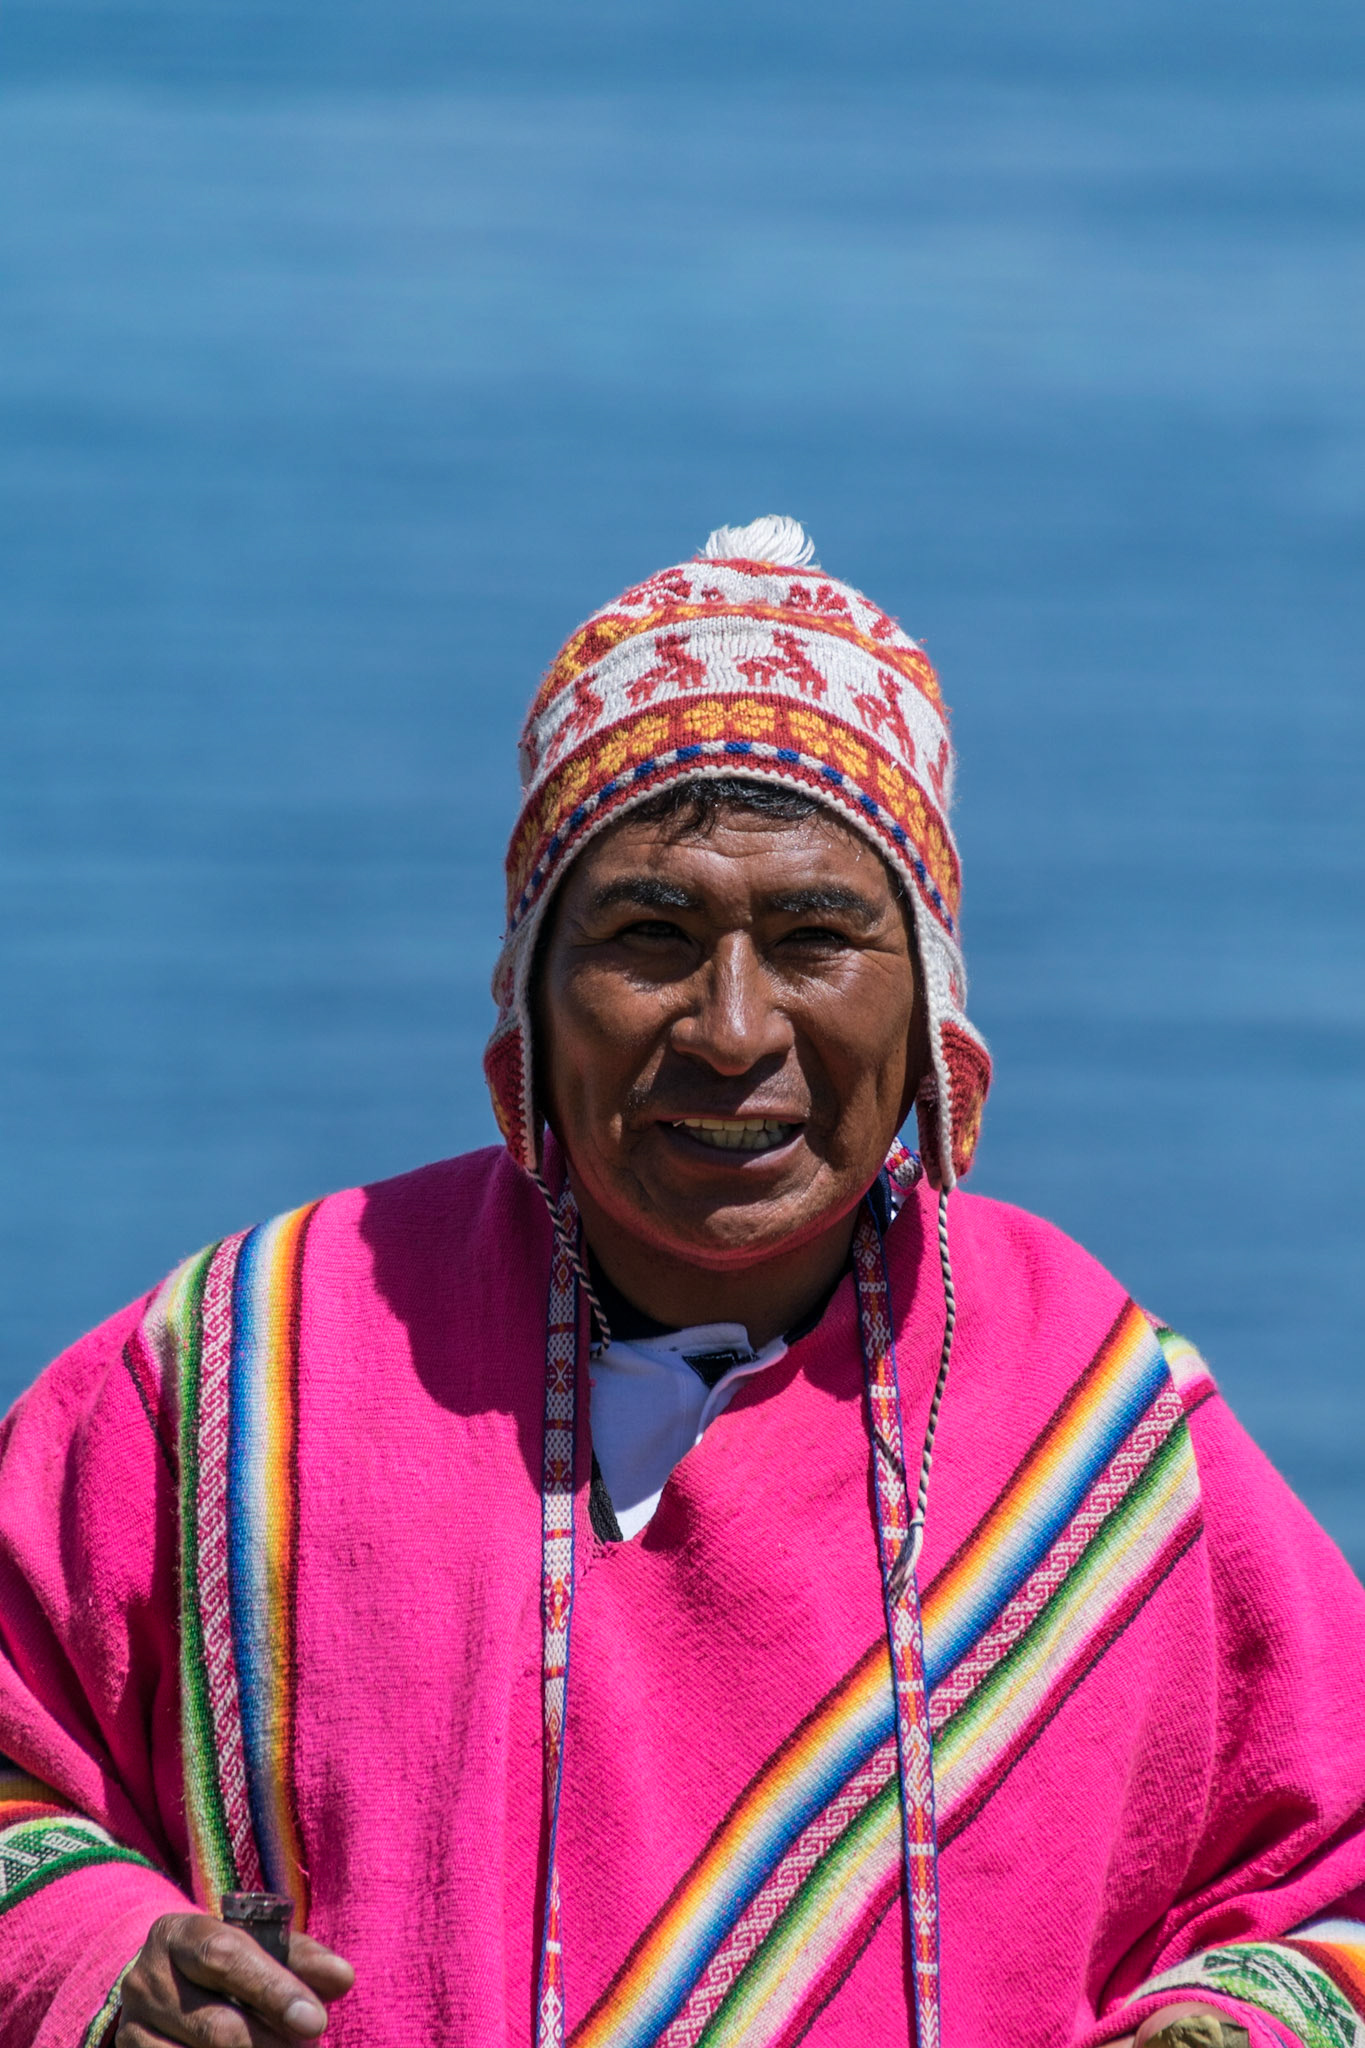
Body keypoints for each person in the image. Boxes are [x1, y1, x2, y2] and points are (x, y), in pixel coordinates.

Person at [0, 517, 1362, 2048]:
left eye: (813, 937)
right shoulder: (245, 1375)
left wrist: (1235, 2023)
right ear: (530, 991)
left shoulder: (1093, 1430)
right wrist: (97, 1956)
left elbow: (1328, 1873)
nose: (728, 1029)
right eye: (649, 935)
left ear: (930, 1007)